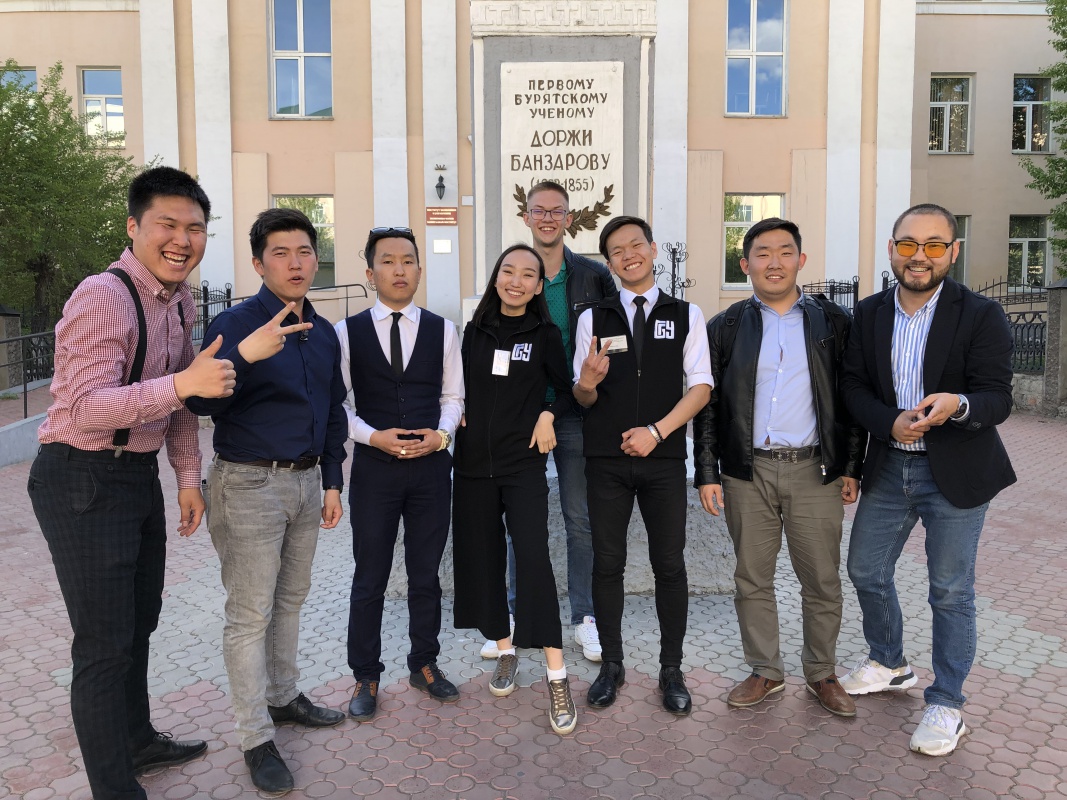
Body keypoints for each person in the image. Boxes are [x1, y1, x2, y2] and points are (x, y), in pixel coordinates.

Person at [27, 166, 235, 800]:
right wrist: (183, 384)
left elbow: (180, 402)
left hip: (135, 476)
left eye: (194, 228)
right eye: (167, 225)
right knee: (103, 645)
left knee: (140, 622)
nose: (182, 240)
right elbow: (83, 406)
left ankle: (137, 739)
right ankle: (114, 788)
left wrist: (188, 478)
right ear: (133, 227)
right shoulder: (103, 296)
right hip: (81, 477)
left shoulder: (179, 300)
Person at [839, 203, 1016, 756]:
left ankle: (947, 702)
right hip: (890, 465)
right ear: (892, 249)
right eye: (908, 244)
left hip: (958, 471)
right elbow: (853, 388)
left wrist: (957, 404)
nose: (920, 256)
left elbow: (998, 397)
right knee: (865, 569)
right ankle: (889, 661)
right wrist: (888, 421)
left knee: (950, 590)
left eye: (934, 245)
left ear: (952, 252)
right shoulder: (868, 313)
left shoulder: (981, 314)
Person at [186, 208, 348, 795]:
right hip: (248, 485)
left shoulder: (322, 332)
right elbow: (200, 404)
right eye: (281, 253)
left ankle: (282, 697)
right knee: (250, 614)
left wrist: (332, 481)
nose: (296, 263)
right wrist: (245, 356)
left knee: (290, 601)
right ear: (259, 264)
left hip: (306, 484)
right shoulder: (234, 324)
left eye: (304, 251)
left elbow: (333, 410)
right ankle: (255, 737)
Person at [692, 217, 865, 717]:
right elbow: (707, 406)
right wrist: (707, 472)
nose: (774, 262)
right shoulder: (725, 327)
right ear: (744, 264)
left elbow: (852, 399)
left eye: (785, 252)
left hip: (816, 471)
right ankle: (765, 670)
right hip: (748, 472)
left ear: (801, 261)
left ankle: (822, 673)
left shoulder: (834, 323)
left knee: (822, 579)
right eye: (762, 253)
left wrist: (852, 465)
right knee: (752, 577)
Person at [573, 215, 712, 716]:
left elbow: (701, 386)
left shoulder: (685, 313)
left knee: (669, 565)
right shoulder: (593, 318)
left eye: (636, 245)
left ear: (653, 250)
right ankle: (611, 664)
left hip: (664, 460)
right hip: (606, 462)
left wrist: (656, 432)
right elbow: (582, 398)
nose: (628, 255)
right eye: (617, 250)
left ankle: (671, 669)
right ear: (608, 263)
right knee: (607, 564)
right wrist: (588, 382)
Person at [475, 180, 618, 663]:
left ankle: (584, 618)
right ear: (527, 216)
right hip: (521, 416)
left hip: (573, 411)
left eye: (557, 211)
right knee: (519, 521)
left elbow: (612, 338)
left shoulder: (593, 276)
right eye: (539, 210)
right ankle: (515, 614)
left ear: (569, 218)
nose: (548, 218)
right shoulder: (517, 271)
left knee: (579, 519)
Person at [336, 226, 464, 723]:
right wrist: (373, 437)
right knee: (369, 576)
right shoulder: (346, 332)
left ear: (419, 269)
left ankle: (424, 663)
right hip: (375, 471)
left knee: (425, 574)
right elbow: (339, 405)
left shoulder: (443, 330)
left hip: (431, 471)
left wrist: (442, 435)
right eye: (388, 261)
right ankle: (365, 674)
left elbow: (453, 397)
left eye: (408, 260)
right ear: (371, 273)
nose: (399, 269)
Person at [452, 244, 579, 735]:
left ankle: (556, 675)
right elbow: (453, 390)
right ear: (496, 276)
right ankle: (505, 650)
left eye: (528, 274)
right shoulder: (473, 332)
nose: (516, 281)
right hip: (472, 467)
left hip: (522, 465)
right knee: (483, 561)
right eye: (508, 271)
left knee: (533, 559)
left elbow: (567, 392)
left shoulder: (544, 334)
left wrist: (548, 414)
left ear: (538, 286)